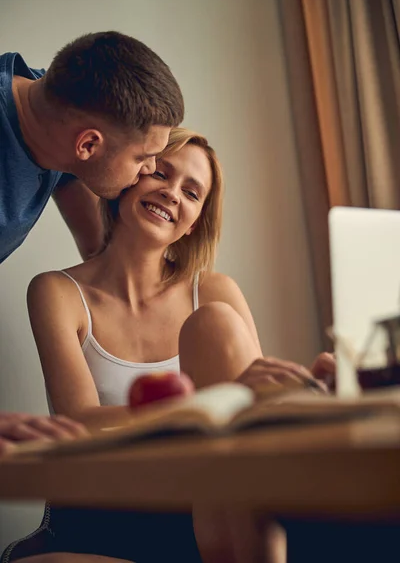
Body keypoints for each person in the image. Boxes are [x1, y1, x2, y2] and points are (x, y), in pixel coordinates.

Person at [3, 128, 334, 563]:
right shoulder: (57, 292)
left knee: (214, 325)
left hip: (204, 513)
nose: (172, 193)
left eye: (192, 193)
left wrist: (308, 390)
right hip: (105, 509)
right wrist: (199, 407)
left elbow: (255, 419)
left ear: (195, 221)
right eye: (160, 172)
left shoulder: (214, 292)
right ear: (131, 176)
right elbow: (78, 424)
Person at [0, 30, 184, 451]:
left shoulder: (51, 105)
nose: (149, 170)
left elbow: (101, 247)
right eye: (143, 158)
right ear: (88, 144)